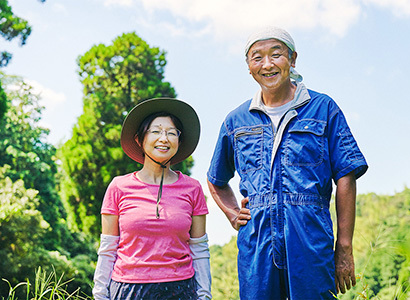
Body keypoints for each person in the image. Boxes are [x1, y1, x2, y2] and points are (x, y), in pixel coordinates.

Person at [207, 27, 368, 300]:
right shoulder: (236, 121)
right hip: (257, 245)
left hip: (310, 240)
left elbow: (345, 177)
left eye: (276, 54)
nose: (267, 64)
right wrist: (233, 212)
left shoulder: (323, 108)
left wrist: (344, 247)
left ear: (292, 59)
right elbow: (216, 179)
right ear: (249, 67)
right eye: (257, 57)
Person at [93, 98, 212, 300]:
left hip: (180, 290)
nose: (164, 138)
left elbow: (199, 249)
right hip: (128, 289)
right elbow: (108, 248)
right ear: (140, 139)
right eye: (156, 131)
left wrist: (204, 295)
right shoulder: (118, 187)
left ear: (179, 142)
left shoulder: (193, 188)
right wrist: (100, 294)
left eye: (172, 133)